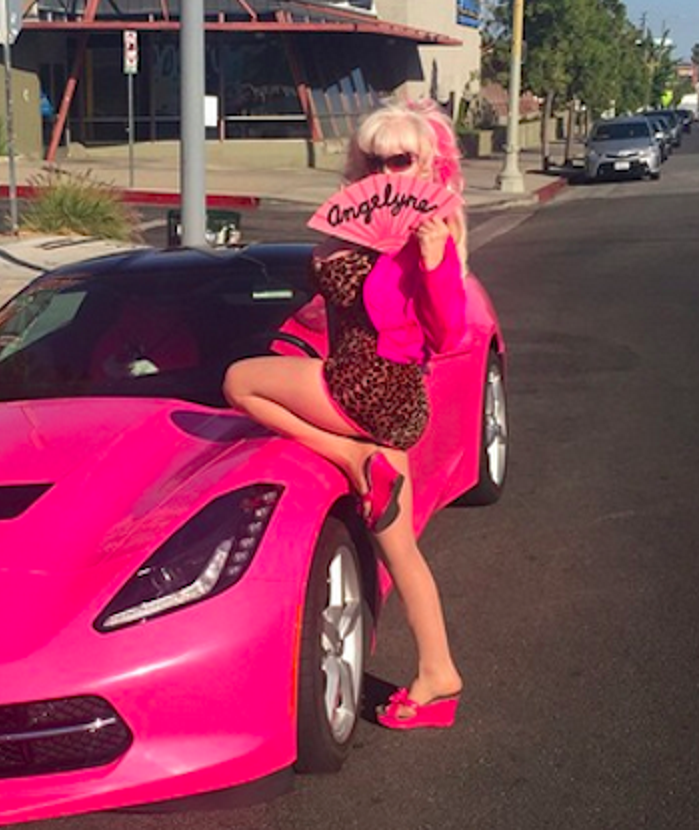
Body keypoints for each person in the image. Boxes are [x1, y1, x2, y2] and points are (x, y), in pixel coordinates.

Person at [223, 99, 468, 730]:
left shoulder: (432, 236)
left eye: (401, 159)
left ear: (427, 163)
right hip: (395, 403)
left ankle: (348, 455)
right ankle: (439, 673)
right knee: (400, 550)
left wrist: (434, 261)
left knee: (240, 381)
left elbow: (448, 333)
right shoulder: (359, 221)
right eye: (375, 159)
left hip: (367, 384)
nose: (386, 171)